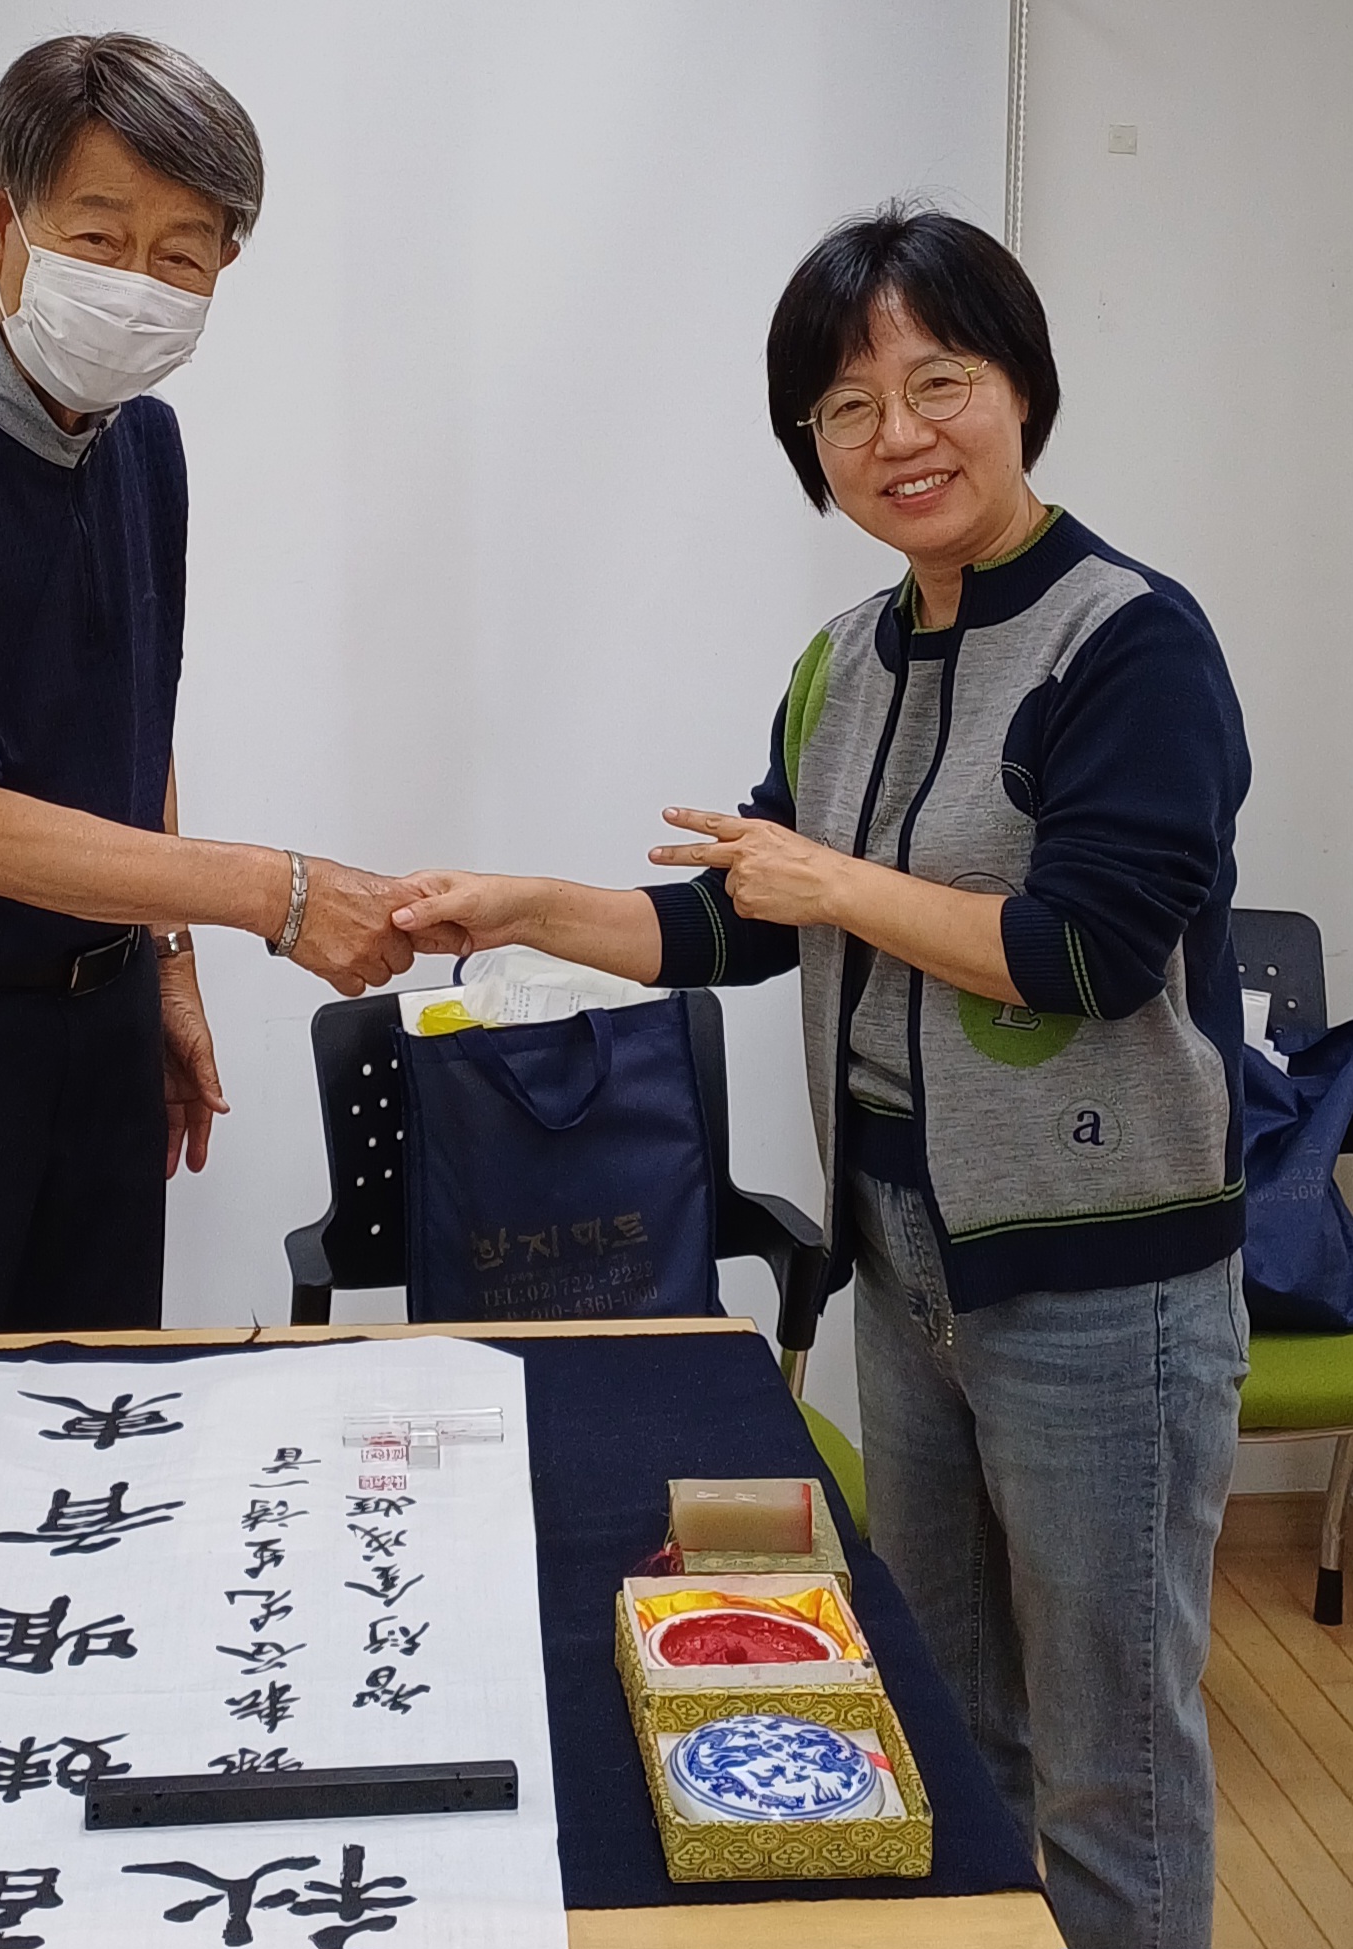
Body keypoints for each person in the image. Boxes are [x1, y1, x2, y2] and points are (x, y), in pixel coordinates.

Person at [393, 206, 1249, 1949]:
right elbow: (740, 914)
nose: (897, 435)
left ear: (1022, 390)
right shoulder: (847, 657)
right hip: (907, 1254)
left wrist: (835, 884)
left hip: (1102, 1275)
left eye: (939, 382)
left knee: (1113, 1758)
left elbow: (1090, 952)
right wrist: (524, 906)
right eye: (847, 408)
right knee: (940, 1696)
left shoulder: (1131, 642)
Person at [0, 31, 442, 1339]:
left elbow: (137, 711)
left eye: (182, 256)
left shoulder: (145, 446)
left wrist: (165, 964)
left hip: (101, 1022)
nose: (138, 285)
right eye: (100, 237)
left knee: (101, 1410)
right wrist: (280, 895)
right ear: (1, 224)